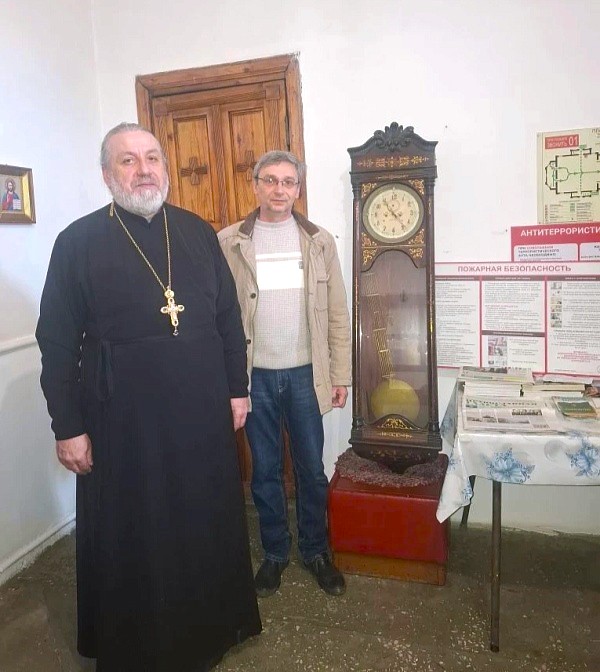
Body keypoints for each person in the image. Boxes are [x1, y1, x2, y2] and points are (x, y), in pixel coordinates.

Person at [36, 122, 262, 672]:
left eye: (152, 158)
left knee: (201, 520)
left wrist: (237, 388)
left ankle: (208, 631)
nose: (144, 170)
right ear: (107, 174)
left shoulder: (196, 232)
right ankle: (138, 646)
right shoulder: (77, 243)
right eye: (128, 160)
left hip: (200, 415)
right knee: (137, 532)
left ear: (165, 167)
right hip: (122, 423)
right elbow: (57, 342)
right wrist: (68, 426)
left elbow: (228, 318)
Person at [218, 150, 351, 597]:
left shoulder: (319, 241)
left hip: (305, 376)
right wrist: (226, 381)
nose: (279, 189)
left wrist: (340, 374)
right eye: (270, 180)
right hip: (253, 378)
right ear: (255, 184)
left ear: (298, 188)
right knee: (265, 471)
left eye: (288, 181)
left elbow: (337, 313)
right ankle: (275, 553)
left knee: (311, 469)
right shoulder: (229, 242)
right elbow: (219, 317)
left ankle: (315, 550)